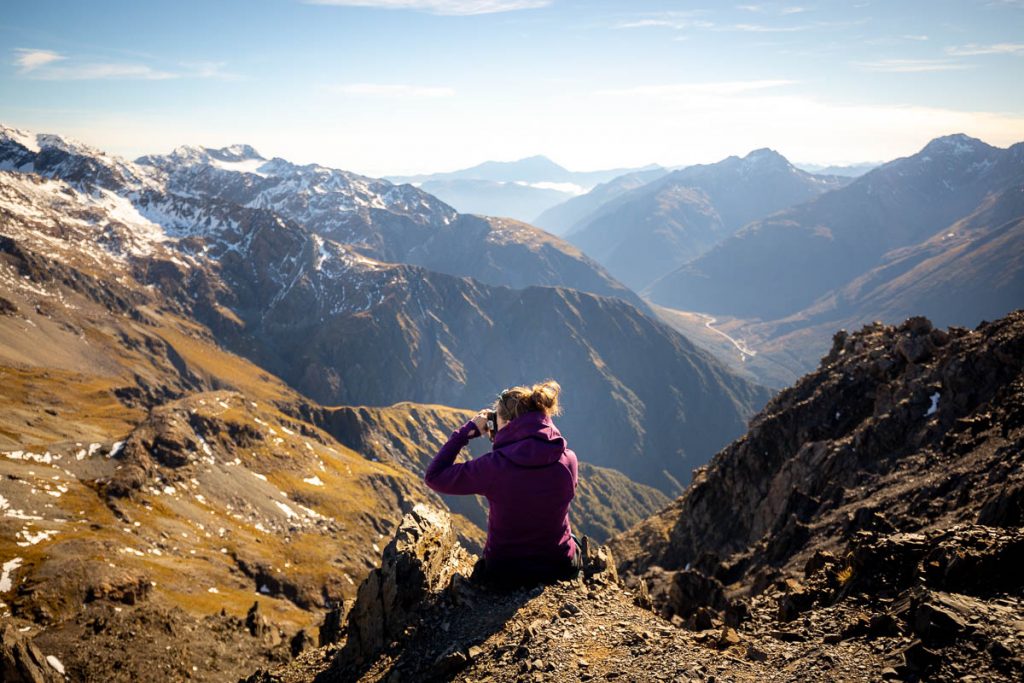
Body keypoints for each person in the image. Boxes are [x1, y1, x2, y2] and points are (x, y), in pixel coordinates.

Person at [424, 379, 581, 588]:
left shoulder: (493, 468)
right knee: (572, 539)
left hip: (506, 573)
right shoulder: (568, 459)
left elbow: (434, 477)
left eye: (495, 421)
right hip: (559, 566)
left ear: (507, 424)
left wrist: (465, 433)